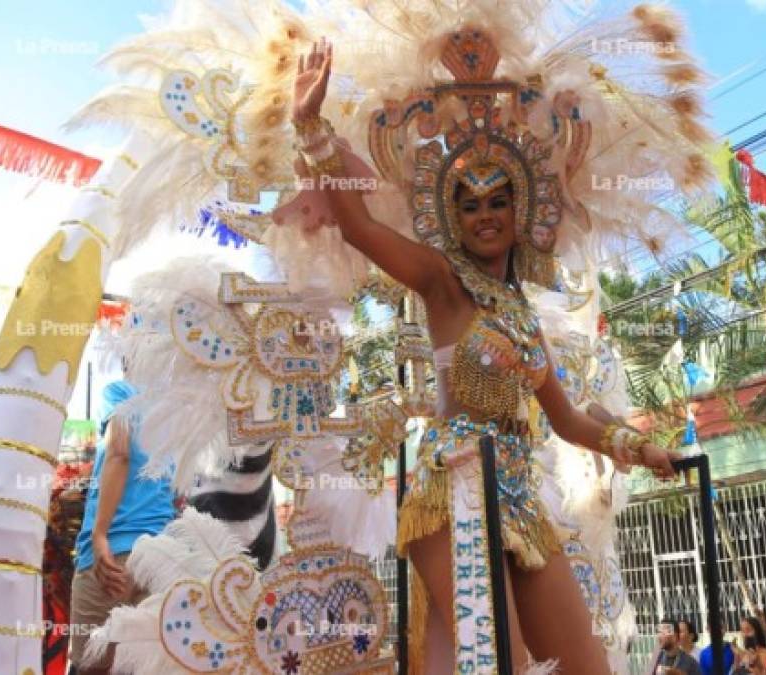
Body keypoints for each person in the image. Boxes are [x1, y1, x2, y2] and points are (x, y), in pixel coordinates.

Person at [288, 26, 692, 674]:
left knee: (586, 665)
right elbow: (361, 227)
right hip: (453, 486)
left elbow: (564, 420)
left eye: (497, 200)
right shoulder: (440, 281)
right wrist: (314, 130)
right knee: (496, 664)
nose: (483, 213)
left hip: (519, 496)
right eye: (468, 201)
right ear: (451, 210)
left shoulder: (523, 316)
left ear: (520, 207)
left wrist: (635, 448)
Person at [69, 381, 176, 674]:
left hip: (112, 556)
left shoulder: (120, 391)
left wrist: (100, 533)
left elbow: (119, 451)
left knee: (91, 664)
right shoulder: (175, 409)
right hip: (160, 562)